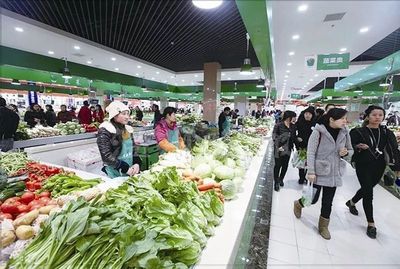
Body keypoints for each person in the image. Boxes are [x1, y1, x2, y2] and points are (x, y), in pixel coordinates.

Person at [293, 108, 353, 240]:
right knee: (311, 199)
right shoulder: (318, 132)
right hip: (319, 171)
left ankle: (323, 226)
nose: (345, 121)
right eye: (342, 118)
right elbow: (311, 152)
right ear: (332, 119)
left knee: (328, 202)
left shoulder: (345, 132)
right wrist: (311, 171)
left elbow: (350, 149)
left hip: (334, 172)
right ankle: (298, 204)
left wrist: (347, 153)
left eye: (345, 118)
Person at [346, 106, 400, 239]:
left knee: (367, 188)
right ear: (368, 116)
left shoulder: (386, 132)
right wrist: (358, 146)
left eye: (380, 115)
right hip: (363, 165)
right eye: (374, 114)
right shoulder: (358, 131)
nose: (377, 117)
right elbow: (349, 146)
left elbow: (394, 150)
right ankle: (371, 224)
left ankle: (352, 202)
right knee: (368, 192)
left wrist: (397, 167)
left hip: (379, 165)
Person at [97, 101, 141, 178]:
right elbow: (106, 156)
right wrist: (123, 167)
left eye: (128, 114)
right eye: (123, 114)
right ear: (114, 115)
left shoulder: (128, 129)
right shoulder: (106, 130)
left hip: (130, 170)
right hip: (114, 173)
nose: (127, 117)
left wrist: (137, 163)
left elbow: (133, 149)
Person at [272, 110, 297, 192]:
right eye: (293, 117)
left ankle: (281, 179)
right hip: (279, 149)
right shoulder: (279, 125)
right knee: (278, 165)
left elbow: (294, 136)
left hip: (288, 149)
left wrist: (297, 140)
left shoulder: (293, 126)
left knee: (285, 165)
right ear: (289, 117)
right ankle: (276, 182)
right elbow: (274, 136)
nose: (295, 119)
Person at [294, 107, 316, 184]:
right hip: (301, 146)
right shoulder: (299, 123)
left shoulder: (315, 124)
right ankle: (301, 177)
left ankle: (306, 177)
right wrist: (297, 138)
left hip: (311, 147)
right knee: (301, 163)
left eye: (309, 114)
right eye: (306, 114)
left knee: (309, 163)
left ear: (312, 115)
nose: (307, 115)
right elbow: (294, 134)